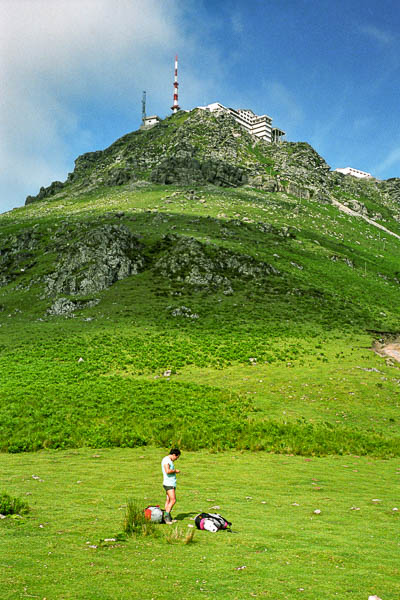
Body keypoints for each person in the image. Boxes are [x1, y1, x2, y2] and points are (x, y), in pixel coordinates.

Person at [161, 448, 181, 524]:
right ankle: (166, 517)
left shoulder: (168, 460)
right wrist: (175, 471)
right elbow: (167, 471)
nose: (176, 459)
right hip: (169, 483)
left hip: (170, 483)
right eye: (177, 457)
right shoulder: (166, 460)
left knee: (168, 500)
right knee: (173, 500)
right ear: (174, 455)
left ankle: (167, 517)